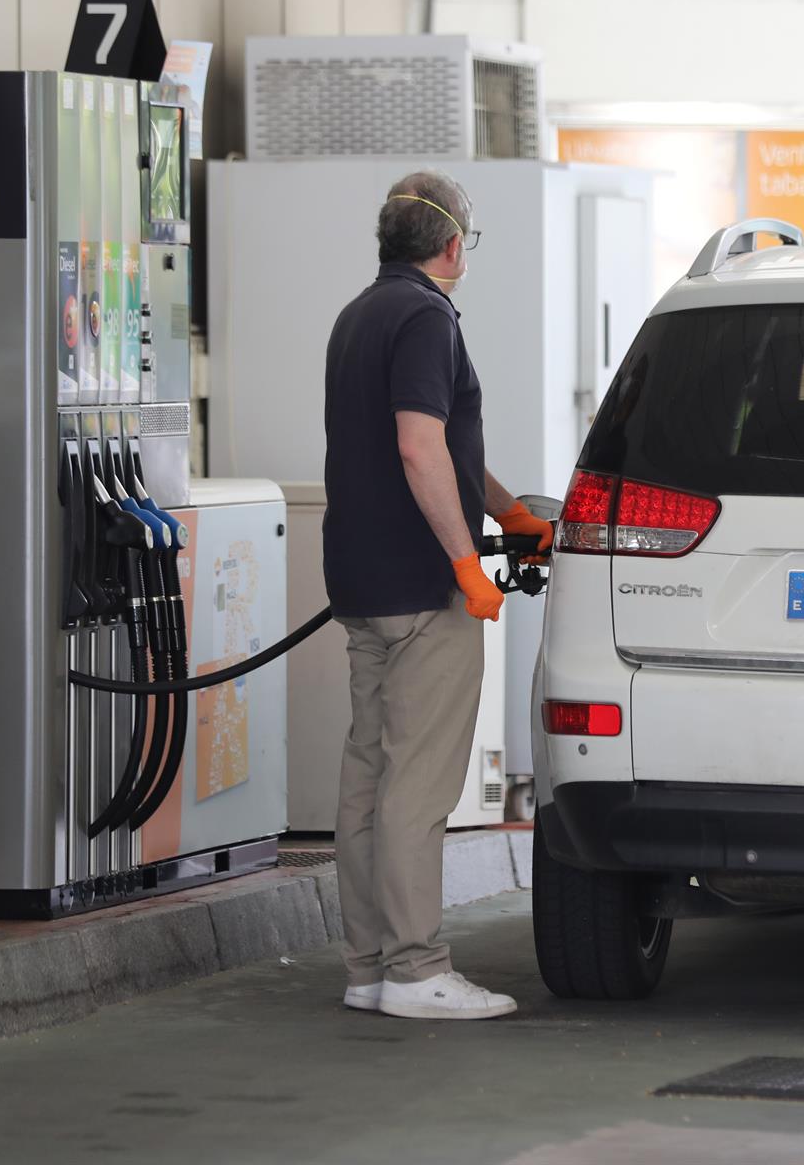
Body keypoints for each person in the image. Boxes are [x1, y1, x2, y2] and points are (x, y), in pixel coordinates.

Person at [323, 171, 552, 1021]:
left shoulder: (361, 314)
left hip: (360, 578)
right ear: (453, 244)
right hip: (423, 587)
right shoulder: (427, 318)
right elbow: (419, 449)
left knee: (368, 779)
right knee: (417, 787)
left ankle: (369, 969)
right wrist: (467, 562)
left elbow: (441, 446)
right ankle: (419, 972)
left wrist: (507, 511)